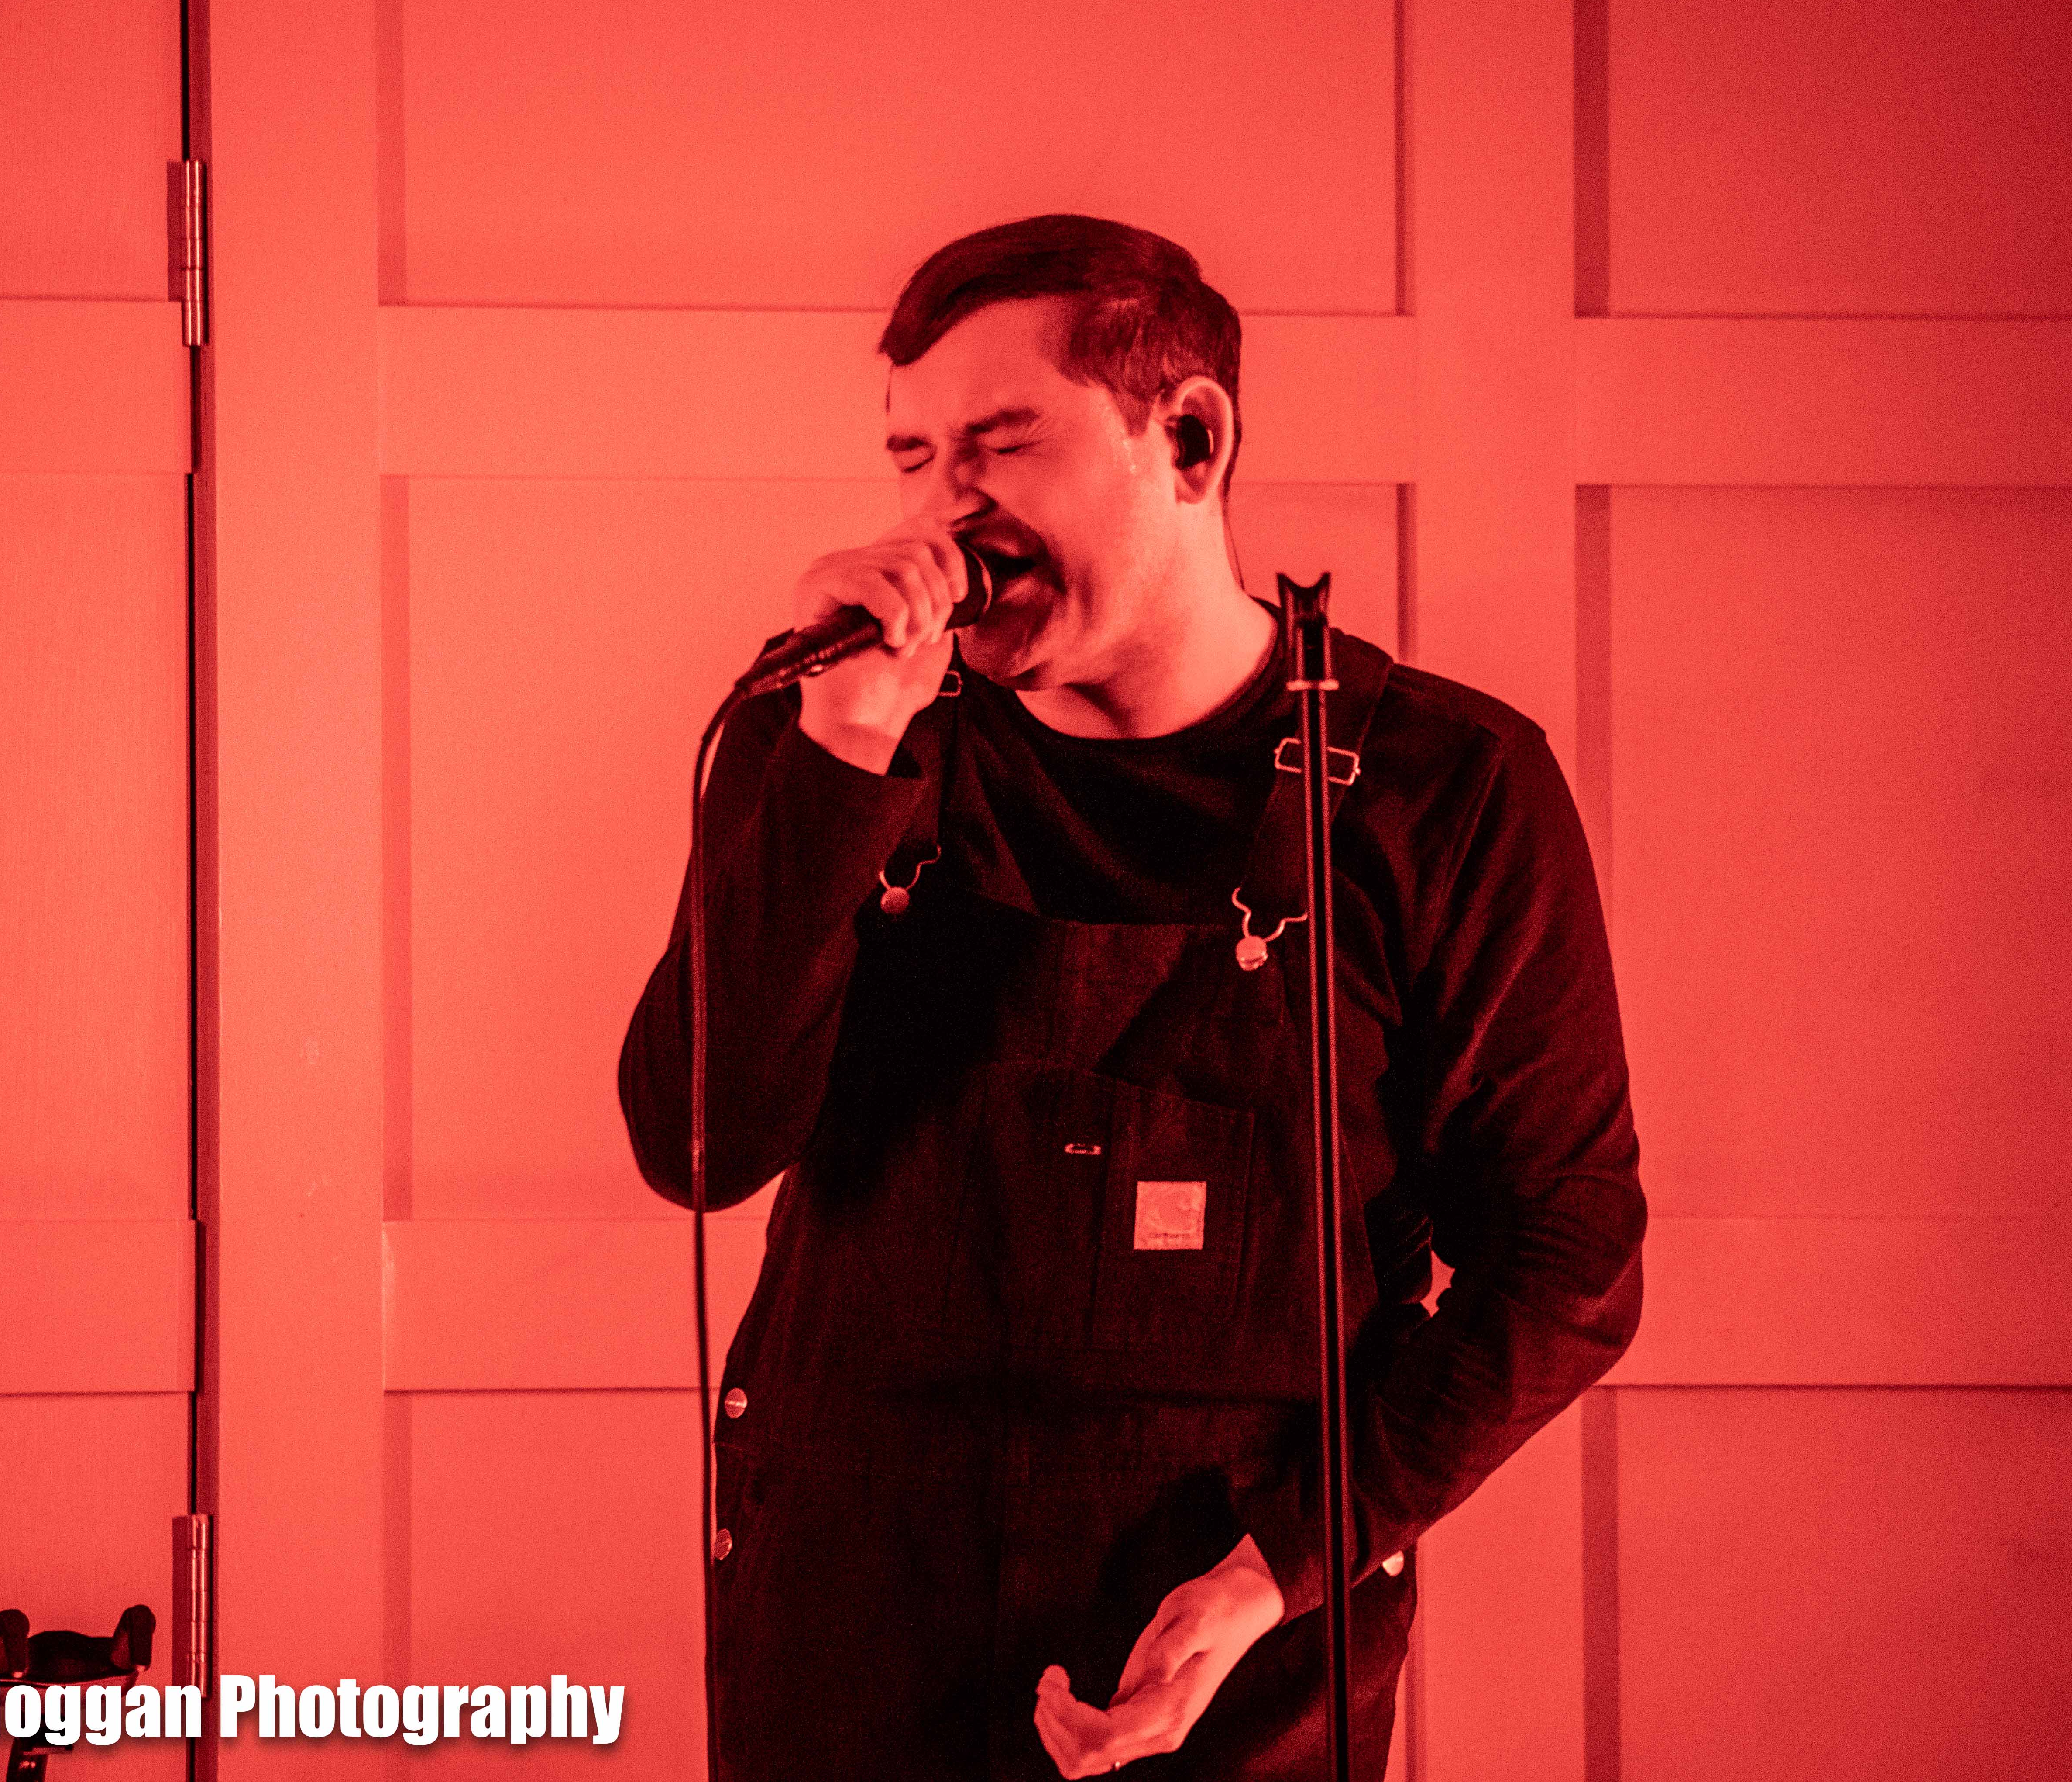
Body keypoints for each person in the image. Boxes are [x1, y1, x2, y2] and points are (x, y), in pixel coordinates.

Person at [619, 213, 1644, 1781]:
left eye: (1001, 443)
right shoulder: (835, 731)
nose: (945, 511)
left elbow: (1568, 1255)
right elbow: (699, 1148)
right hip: (846, 1622)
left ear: (1190, 439)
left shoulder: (1446, 787)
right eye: (913, 458)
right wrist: (841, 762)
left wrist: (1279, 1571)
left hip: (1220, 1649)